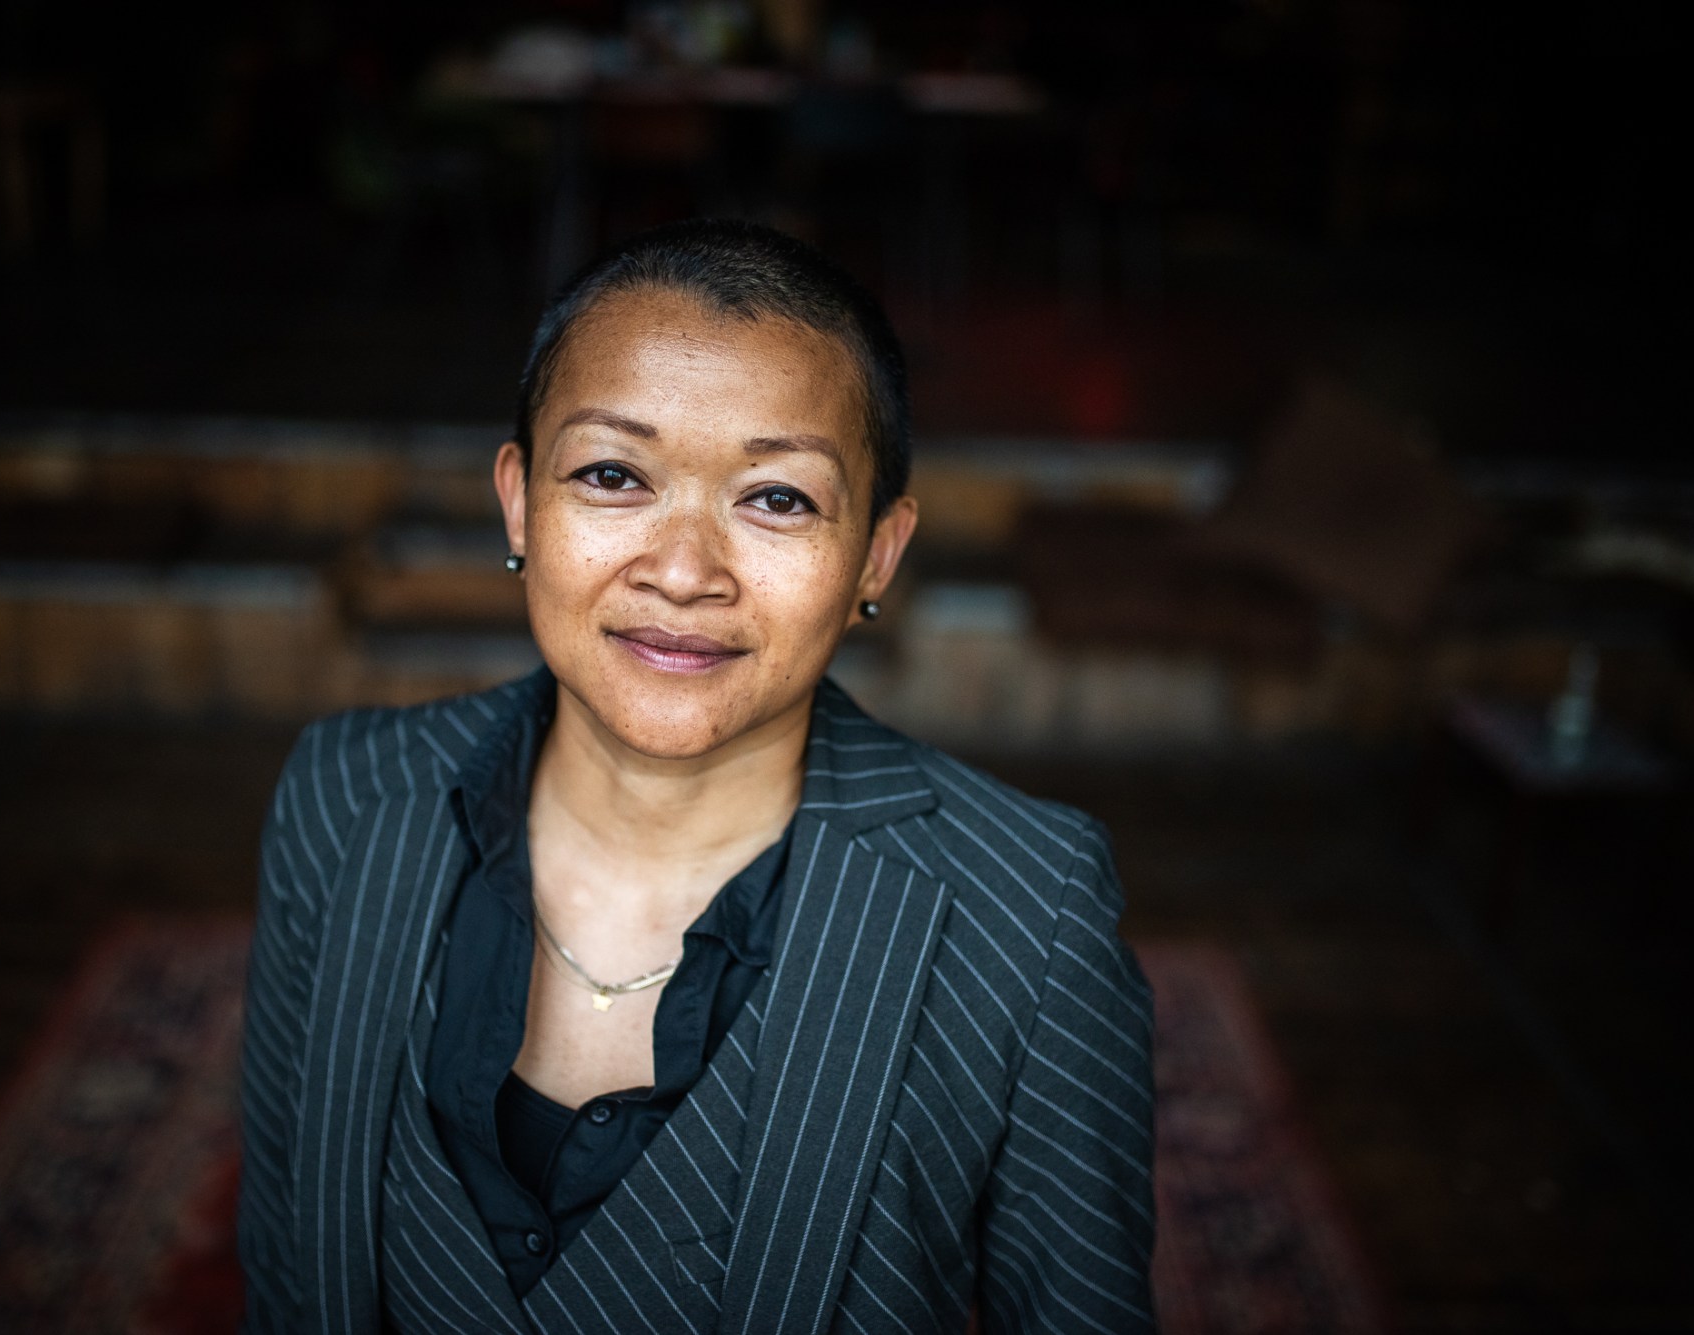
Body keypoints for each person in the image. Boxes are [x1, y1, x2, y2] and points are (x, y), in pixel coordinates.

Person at [236, 219, 1155, 1335]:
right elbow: (289, 1275)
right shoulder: (343, 800)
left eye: (777, 498)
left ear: (876, 554)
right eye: (612, 474)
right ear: (520, 503)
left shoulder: (1026, 912)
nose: (681, 572)